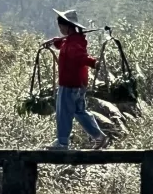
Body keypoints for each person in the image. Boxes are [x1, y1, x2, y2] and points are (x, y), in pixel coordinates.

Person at [42, 8, 108, 152]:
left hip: (69, 85)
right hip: (79, 84)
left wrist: (94, 63)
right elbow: (63, 45)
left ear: (66, 26)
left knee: (63, 112)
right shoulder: (73, 41)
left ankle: (62, 142)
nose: (60, 30)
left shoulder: (72, 44)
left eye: (61, 27)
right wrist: (54, 42)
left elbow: (81, 57)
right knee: (80, 112)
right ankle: (98, 135)